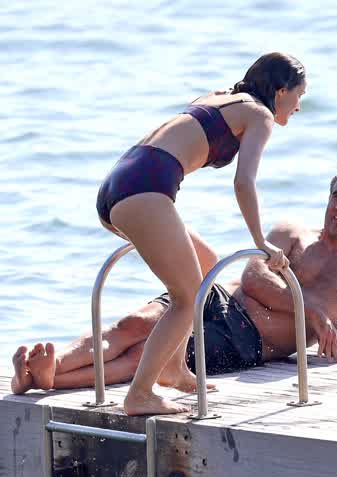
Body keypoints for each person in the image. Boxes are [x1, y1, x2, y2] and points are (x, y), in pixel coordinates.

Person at [12, 163, 337, 411]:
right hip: (220, 296)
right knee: (133, 324)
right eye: (336, 196)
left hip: (248, 340)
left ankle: (50, 379)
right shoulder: (292, 232)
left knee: (145, 354)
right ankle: (51, 363)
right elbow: (253, 277)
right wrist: (314, 313)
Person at [94, 52, 307, 416]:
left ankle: (175, 368)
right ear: (281, 91)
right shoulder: (260, 114)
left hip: (120, 183)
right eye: (300, 95)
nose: (299, 106)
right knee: (187, 296)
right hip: (142, 190)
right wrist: (260, 241)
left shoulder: (218, 98)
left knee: (206, 264)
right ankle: (140, 394)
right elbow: (244, 182)